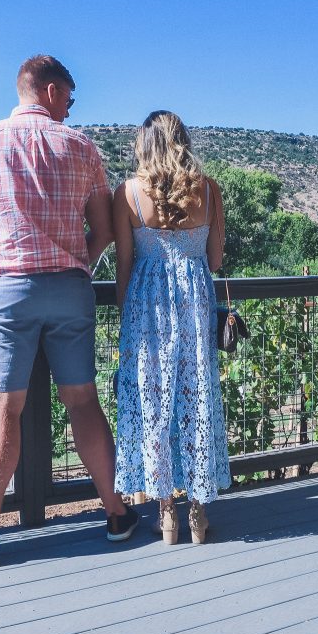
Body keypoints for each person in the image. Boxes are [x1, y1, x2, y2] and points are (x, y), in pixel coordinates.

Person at [0, 55, 138, 568]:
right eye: (69, 97)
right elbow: (105, 230)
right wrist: (78, 264)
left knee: (2, 410)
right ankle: (116, 513)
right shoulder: (83, 148)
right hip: (71, 291)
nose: (71, 108)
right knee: (84, 402)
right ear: (49, 91)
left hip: (10, 290)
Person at [113, 110, 231, 545]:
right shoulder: (209, 190)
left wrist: (126, 321)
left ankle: (166, 516)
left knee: (153, 398)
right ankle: (197, 512)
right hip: (195, 304)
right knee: (195, 393)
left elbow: (125, 265)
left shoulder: (126, 194)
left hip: (146, 308)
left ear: (145, 143)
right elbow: (215, 261)